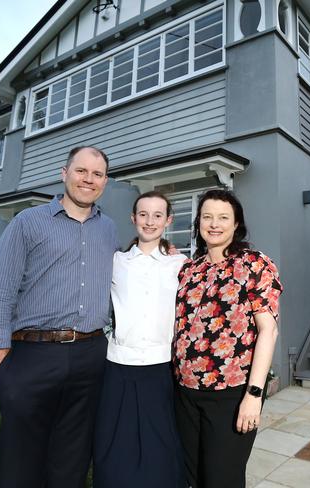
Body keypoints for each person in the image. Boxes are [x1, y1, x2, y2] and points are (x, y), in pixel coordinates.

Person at [0, 146, 119, 488]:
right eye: (81, 171)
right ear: (64, 172)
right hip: (32, 357)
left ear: (105, 182)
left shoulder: (109, 230)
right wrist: (1, 368)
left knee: (73, 460)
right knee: (21, 462)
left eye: (97, 174)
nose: (89, 179)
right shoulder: (28, 222)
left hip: (90, 355)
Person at [173, 189, 283, 488]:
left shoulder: (253, 264)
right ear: (198, 223)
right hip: (185, 393)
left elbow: (268, 330)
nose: (214, 224)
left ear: (236, 225)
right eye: (207, 217)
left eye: (223, 217)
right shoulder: (189, 270)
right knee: (191, 477)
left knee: (222, 479)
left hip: (231, 395)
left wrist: (254, 395)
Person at [94, 191, 187, 488]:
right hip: (119, 365)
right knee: (115, 443)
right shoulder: (115, 261)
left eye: (158, 215)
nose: (150, 221)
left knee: (161, 446)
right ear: (133, 218)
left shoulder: (181, 264)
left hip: (162, 367)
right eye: (143, 214)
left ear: (168, 221)